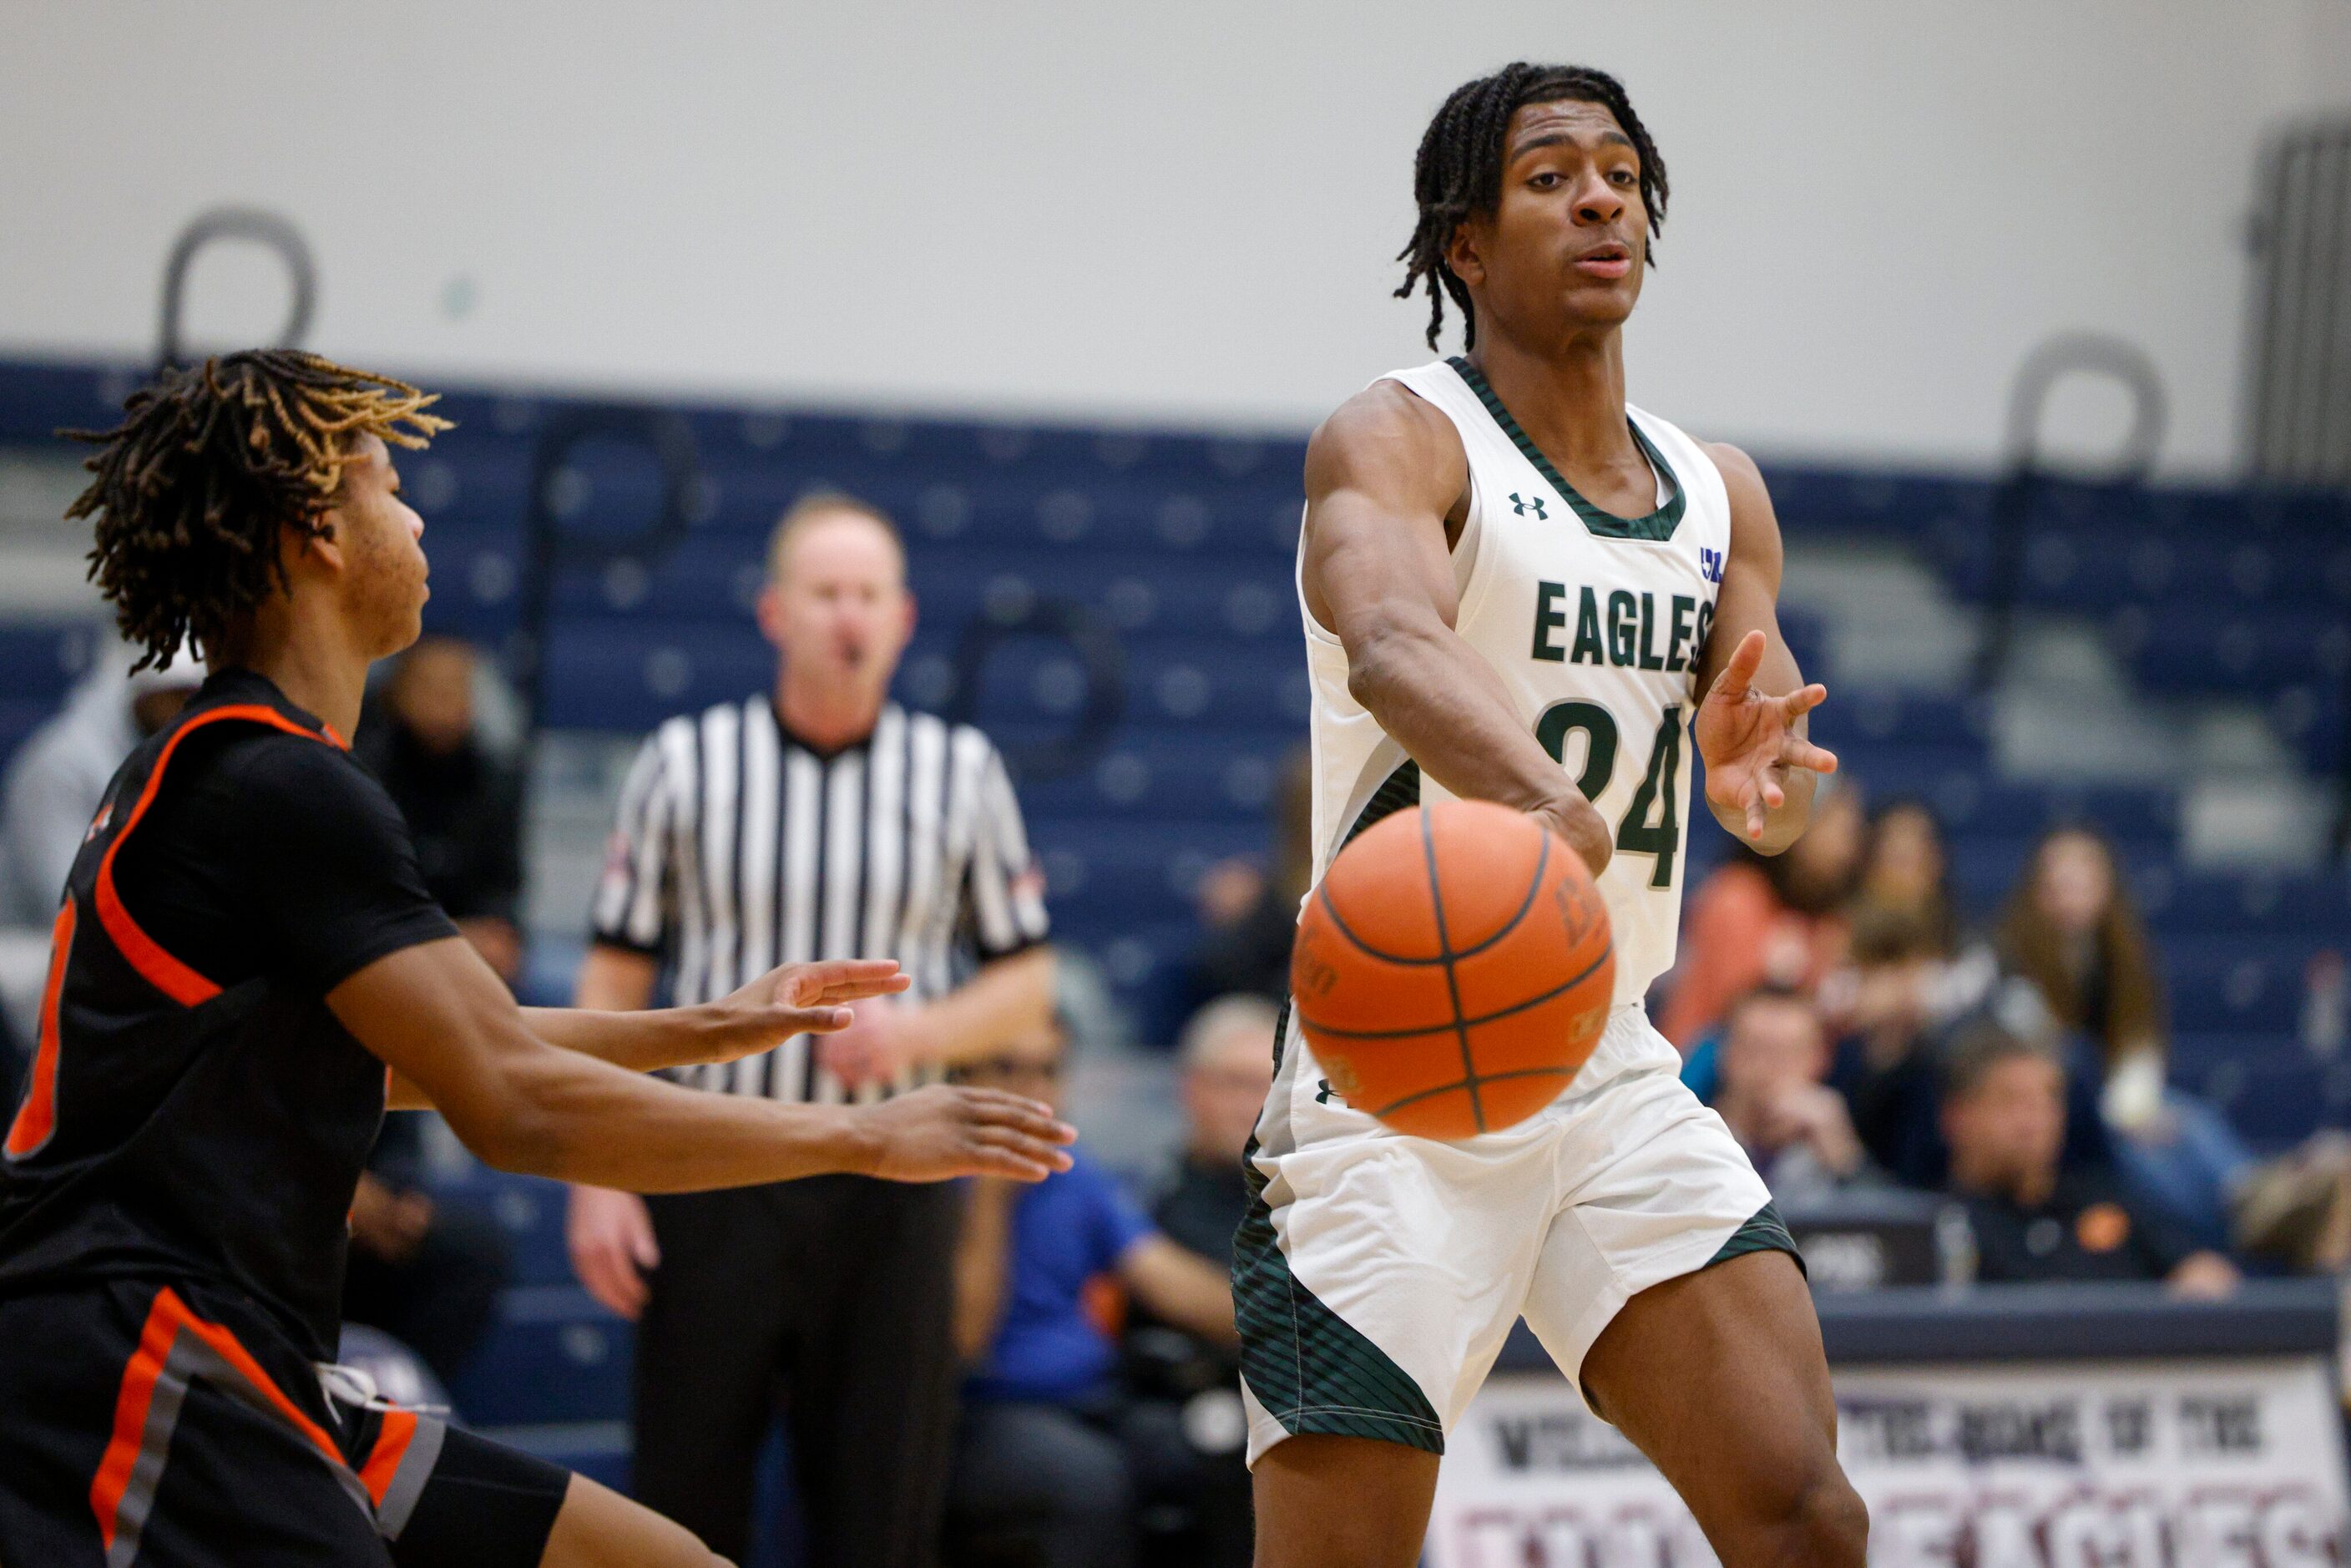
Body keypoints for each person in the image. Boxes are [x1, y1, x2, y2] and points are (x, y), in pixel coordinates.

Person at [0, 352, 1074, 1568]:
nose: (414, 517)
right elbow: (509, 1101)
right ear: (319, 535)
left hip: (242, 1358)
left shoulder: (232, 769)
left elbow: (426, 1056)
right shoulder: (276, 788)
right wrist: (860, 1136)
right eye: (389, 487)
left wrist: (712, 1027)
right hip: (142, 1355)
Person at [1248, 63, 1863, 1568]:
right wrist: (1546, 803)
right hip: (1391, 1082)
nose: (1600, 197)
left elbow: (1770, 794)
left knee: (1802, 1512)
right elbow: (1390, 638)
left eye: (1620, 173)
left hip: (1601, 1063)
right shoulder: (1402, 437)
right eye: (1549, 177)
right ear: (1465, 243)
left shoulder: (1720, 494)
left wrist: (1749, 781)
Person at [564, 491, 1059, 1566]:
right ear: (773, 612)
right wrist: (594, 1171)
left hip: (893, 1182)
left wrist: (913, 1035)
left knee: (879, 1513)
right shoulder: (685, 762)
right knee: (683, 1505)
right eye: (826, 591)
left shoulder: (960, 772)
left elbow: (1027, 986)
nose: (849, 615)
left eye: (868, 594)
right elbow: (612, 974)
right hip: (710, 1171)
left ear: (903, 618)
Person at [948, 1023, 1238, 1568]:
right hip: (986, 1411)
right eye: (1008, 1070)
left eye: (1048, 1071)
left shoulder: (1074, 1174)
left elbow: (1165, 1278)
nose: (1032, 1091)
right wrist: (991, 1195)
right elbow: (966, 1341)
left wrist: (1297, 1324)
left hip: (1093, 1396)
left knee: (1217, 1454)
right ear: (965, 1075)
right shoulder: (940, 1184)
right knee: (1089, 1482)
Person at [1939, 1023, 2237, 1297]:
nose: (2032, 1123)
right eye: (2010, 1102)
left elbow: (2203, 1270)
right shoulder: (1943, 1228)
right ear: (1957, 1118)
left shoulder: (2103, 1195)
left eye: (2047, 1101)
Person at [355, 635, 526, 984]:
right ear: (399, 692)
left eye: (457, 687)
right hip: (381, 954)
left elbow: (503, 893)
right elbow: (359, 904)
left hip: (466, 953)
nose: (446, 702)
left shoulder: (494, 781)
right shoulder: (363, 775)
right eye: (431, 687)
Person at [0, 644, 201, 931]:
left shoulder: (185, 757)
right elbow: (69, 905)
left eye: (195, 695)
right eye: (178, 694)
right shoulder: (61, 766)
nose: (187, 707)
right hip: (28, 955)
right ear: (147, 692)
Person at [1657, 781, 1864, 1047]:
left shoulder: (1829, 918)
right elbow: (1737, 1012)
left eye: (1853, 832)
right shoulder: (1736, 895)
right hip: (1703, 1067)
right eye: (1837, 829)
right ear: (1795, 827)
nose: (1847, 848)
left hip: (1785, 1071)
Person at [1995, 826, 2167, 1136]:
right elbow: (2040, 1042)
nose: (2070, 900)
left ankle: (2243, 1180)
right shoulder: (2009, 956)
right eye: (2060, 886)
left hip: (2112, 1096)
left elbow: (2137, 1039)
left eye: (2082, 886)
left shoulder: (2121, 957)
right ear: (2038, 890)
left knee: (2187, 1120)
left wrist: (2134, 1108)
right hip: (2055, 1097)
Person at [1708, 986, 1882, 1206]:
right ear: (1725, 1054)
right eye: (1754, 1050)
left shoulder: (1835, 1145)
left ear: (1820, 1058)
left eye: (1786, 1053)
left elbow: (1901, 1230)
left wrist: (1846, 1159)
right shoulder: (1690, 1142)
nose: (1767, 1068)